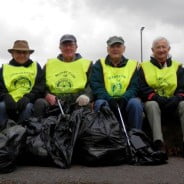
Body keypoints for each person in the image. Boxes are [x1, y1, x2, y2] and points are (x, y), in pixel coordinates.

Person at [139, 37, 184, 155]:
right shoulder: (143, 67)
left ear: (169, 49)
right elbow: (142, 88)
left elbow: (182, 88)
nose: (161, 50)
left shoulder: (178, 67)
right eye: (158, 47)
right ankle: (159, 142)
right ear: (152, 50)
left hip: (174, 102)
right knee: (152, 105)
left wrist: (178, 98)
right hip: (154, 101)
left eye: (164, 47)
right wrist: (156, 97)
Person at [90, 36, 143, 129]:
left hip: (126, 100)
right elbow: (97, 85)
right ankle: (103, 136)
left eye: (118, 46)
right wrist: (109, 99)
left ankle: (135, 135)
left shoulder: (133, 64)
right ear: (107, 49)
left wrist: (124, 98)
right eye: (112, 47)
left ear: (123, 49)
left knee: (135, 103)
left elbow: (134, 86)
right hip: (107, 99)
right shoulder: (99, 64)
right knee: (99, 104)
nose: (115, 49)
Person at [33, 34, 92, 117]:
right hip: (54, 102)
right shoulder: (49, 64)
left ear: (76, 47)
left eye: (71, 45)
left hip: (77, 101)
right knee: (40, 103)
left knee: (86, 106)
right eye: (64, 45)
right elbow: (41, 83)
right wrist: (46, 94)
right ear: (60, 48)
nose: (68, 48)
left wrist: (86, 95)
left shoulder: (87, 64)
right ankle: (38, 128)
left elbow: (92, 84)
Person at [0, 40, 44, 127]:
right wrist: (6, 97)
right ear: (12, 54)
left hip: (28, 101)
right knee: (1, 106)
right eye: (18, 52)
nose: (22, 55)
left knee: (28, 108)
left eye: (24, 52)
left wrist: (29, 97)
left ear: (29, 54)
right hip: (9, 101)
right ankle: (4, 134)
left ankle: (22, 134)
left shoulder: (35, 66)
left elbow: (40, 85)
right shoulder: (4, 68)